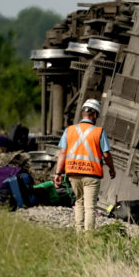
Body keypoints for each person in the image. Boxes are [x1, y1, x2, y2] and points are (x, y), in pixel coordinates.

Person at [53, 99, 116, 231]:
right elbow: (106, 154)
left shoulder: (69, 130)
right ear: (95, 115)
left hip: (73, 174)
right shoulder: (99, 132)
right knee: (90, 207)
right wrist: (111, 169)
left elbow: (62, 153)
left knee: (79, 202)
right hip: (92, 175)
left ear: (83, 113)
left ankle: (79, 234)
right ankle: (88, 237)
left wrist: (58, 173)